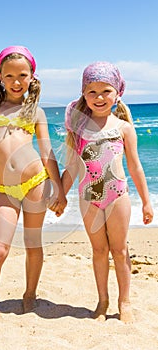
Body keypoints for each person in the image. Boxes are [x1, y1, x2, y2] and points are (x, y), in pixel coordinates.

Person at [0, 45, 67, 324]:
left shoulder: (35, 112)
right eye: (10, 76)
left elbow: (46, 154)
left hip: (36, 184)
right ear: (0, 76)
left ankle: (29, 295)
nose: (16, 81)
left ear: (32, 76)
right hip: (4, 190)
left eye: (23, 75)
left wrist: (59, 189)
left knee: (33, 243)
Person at [59, 61, 153, 323]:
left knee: (120, 250)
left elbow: (135, 167)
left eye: (105, 91)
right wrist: (61, 196)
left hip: (118, 197)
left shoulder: (123, 128)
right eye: (92, 92)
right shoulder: (78, 129)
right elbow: (72, 167)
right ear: (83, 95)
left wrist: (146, 202)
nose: (99, 98)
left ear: (117, 93)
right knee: (99, 251)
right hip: (89, 198)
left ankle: (125, 302)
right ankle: (102, 300)